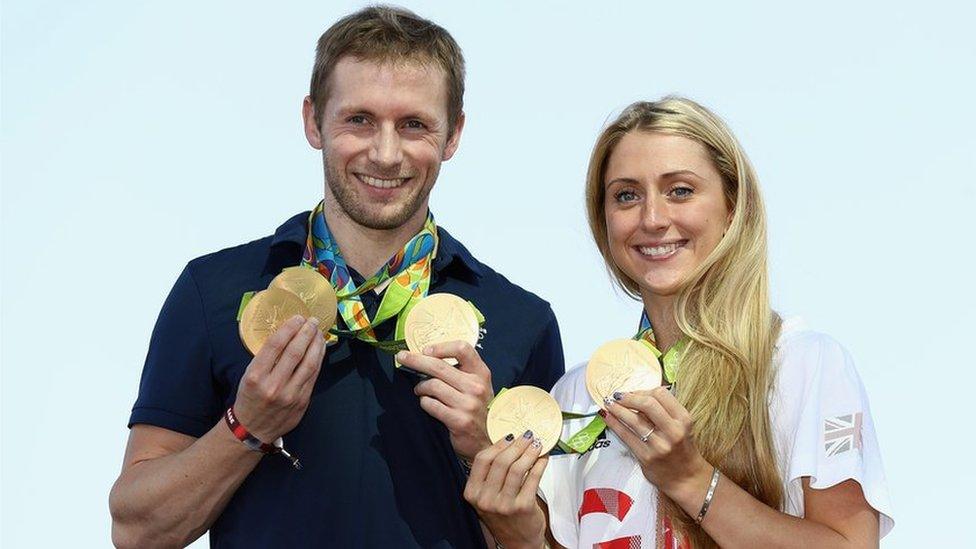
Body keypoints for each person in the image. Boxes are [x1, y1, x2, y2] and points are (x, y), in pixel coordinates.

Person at [108, 6, 564, 548]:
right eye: (359, 120)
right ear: (313, 120)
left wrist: (480, 447)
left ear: (453, 134)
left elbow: (554, 540)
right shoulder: (213, 289)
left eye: (414, 124)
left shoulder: (523, 320)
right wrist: (246, 425)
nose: (386, 152)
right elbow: (136, 530)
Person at [463, 97, 893, 548]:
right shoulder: (577, 397)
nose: (652, 218)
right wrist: (519, 536)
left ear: (732, 208)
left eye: (680, 191)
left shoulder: (802, 363)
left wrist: (691, 479)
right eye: (627, 195)